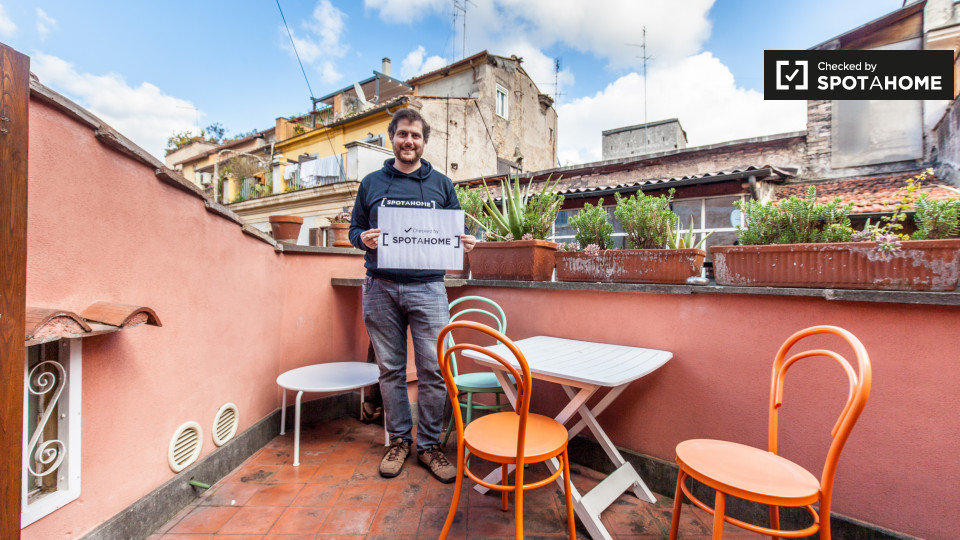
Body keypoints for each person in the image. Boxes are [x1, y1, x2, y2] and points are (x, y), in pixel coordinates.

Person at [349, 108, 477, 483]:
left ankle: (430, 446)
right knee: (390, 370)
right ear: (392, 138)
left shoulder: (442, 184)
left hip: (429, 289)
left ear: (424, 141)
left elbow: (456, 231)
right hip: (380, 287)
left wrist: (465, 242)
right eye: (402, 134)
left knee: (434, 370)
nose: (409, 141)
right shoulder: (372, 183)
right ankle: (399, 441)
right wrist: (362, 238)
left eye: (416, 136)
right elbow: (355, 228)